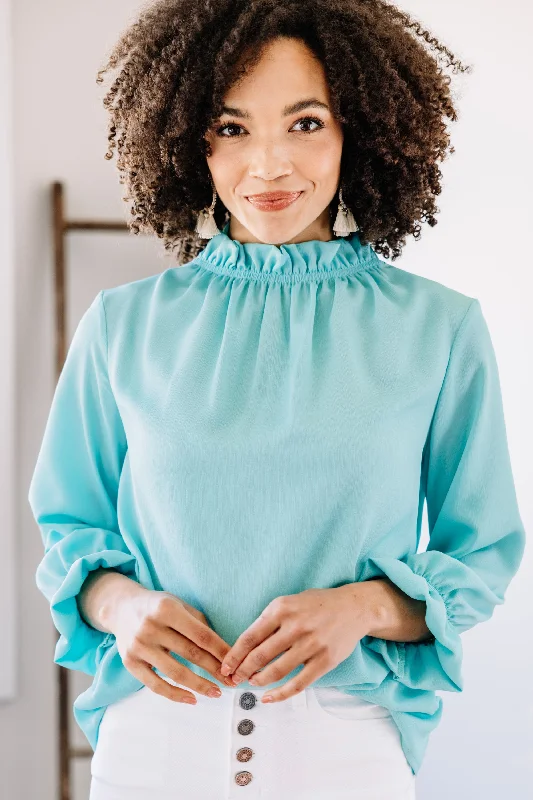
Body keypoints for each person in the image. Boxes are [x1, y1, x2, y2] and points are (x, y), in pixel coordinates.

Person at [28, 1, 526, 798]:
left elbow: (481, 554)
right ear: (189, 139)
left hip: (346, 750)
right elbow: (69, 530)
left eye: (304, 124)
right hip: (153, 744)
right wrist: (122, 606)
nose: (267, 167)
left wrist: (362, 608)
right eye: (231, 129)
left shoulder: (439, 328)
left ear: (357, 129)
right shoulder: (123, 325)